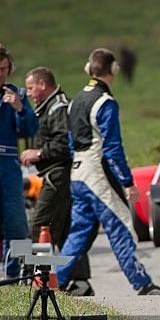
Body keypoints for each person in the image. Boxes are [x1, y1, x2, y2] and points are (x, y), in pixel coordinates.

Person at [57, 48, 160, 295]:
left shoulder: (75, 100)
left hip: (77, 173)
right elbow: (112, 147)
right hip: (97, 174)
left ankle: (53, 281)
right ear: (113, 70)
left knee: (78, 233)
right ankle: (142, 283)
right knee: (122, 225)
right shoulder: (105, 102)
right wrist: (127, 181)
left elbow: (70, 142)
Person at [19, 67, 93, 294]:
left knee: (36, 225)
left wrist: (38, 154)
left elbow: (64, 144)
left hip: (58, 175)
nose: (30, 93)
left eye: (31, 87)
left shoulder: (58, 108)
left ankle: (30, 279)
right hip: (55, 175)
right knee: (63, 230)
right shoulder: (47, 108)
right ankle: (79, 282)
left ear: (43, 84)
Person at [0, 44, 39, 279]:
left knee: (17, 226)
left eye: (4, 68)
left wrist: (20, 108)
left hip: (8, 167)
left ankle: (16, 276)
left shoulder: (17, 95)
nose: (1, 74)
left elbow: (31, 129)